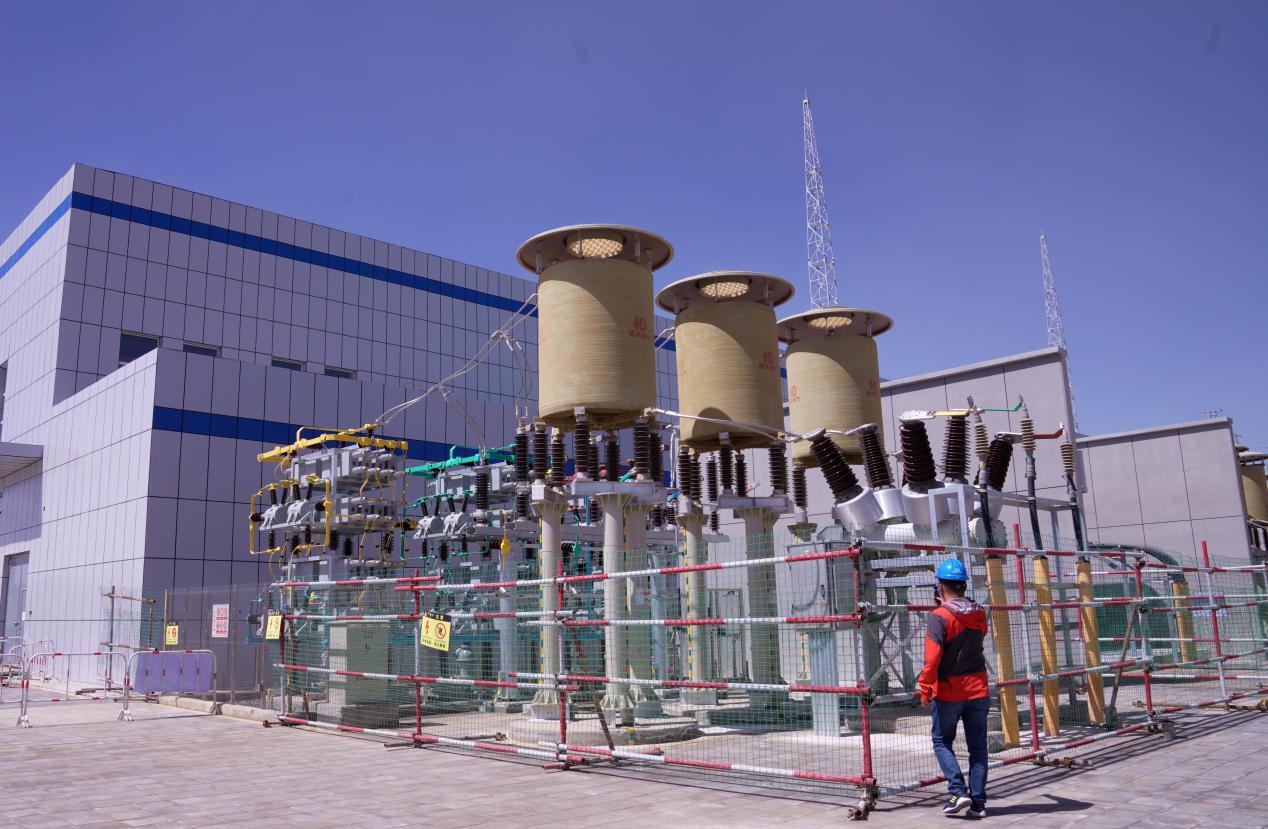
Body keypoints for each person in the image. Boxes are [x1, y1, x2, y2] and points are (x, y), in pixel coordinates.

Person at [918, 558, 989, 819]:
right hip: (978, 689)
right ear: (964, 585)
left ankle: (958, 791)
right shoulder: (979, 611)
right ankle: (978, 804)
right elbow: (978, 634)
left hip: (949, 691)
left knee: (941, 741)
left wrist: (925, 689)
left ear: (940, 586)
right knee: (978, 748)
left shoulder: (940, 617)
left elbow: (932, 660)